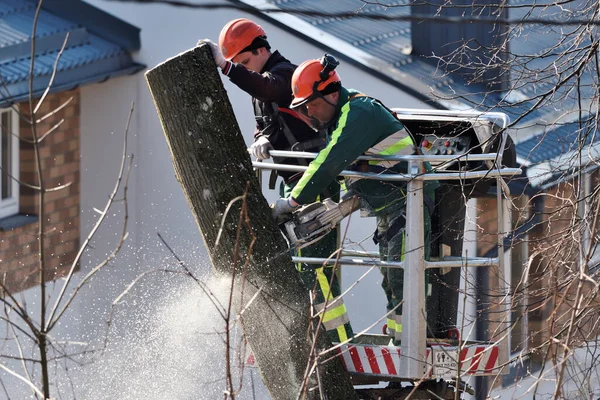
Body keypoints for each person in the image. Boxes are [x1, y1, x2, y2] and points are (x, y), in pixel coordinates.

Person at [199, 19, 353, 343]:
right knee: (302, 266)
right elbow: (268, 117)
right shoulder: (262, 87)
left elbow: (268, 87)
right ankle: (319, 341)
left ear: (261, 49)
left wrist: (226, 67)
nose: (244, 70)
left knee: (317, 267)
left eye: (245, 62)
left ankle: (339, 345)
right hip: (292, 183)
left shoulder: (287, 75)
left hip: (315, 183)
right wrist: (261, 137)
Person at [272, 54, 438, 344]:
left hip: (410, 201)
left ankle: (409, 345)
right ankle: (401, 341)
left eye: (311, 104)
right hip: (392, 206)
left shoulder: (358, 112)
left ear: (332, 93)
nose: (309, 113)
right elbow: (364, 169)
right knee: (391, 277)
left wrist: (293, 202)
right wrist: (343, 205)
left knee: (403, 278)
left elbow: (330, 161)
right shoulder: (343, 118)